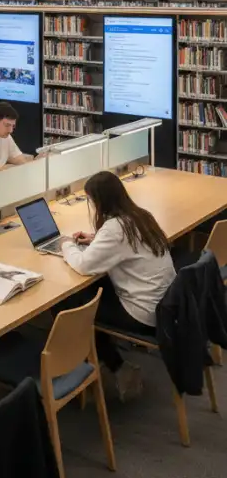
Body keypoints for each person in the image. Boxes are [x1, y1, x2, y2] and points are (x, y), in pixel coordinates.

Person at [60, 170, 175, 401]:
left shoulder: (115, 229)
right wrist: (96, 240)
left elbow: (83, 265)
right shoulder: (140, 216)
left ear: (100, 201)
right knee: (91, 290)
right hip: (165, 304)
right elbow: (125, 245)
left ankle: (115, 366)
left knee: (71, 306)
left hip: (144, 313)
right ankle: (96, 359)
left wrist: (66, 245)